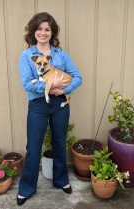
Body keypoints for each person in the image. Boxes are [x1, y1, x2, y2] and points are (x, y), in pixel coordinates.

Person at [17, 12, 82, 206]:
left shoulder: (60, 54)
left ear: (52, 32)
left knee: (59, 143)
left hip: (59, 105)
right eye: (39, 29)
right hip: (38, 105)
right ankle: (27, 187)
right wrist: (52, 88)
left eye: (47, 29)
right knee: (34, 146)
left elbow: (77, 77)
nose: (43, 33)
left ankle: (61, 180)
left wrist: (62, 91)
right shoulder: (27, 55)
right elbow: (27, 84)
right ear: (33, 31)